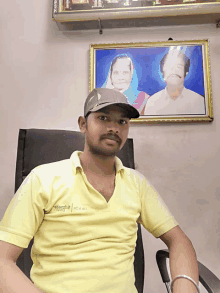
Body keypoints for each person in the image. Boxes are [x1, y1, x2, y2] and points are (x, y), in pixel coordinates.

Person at [0, 88, 199, 293]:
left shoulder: (137, 184)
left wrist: (184, 285)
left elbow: (178, 240)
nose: (114, 128)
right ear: (83, 124)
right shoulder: (43, 179)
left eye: (122, 122)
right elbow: (3, 261)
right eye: (103, 118)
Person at [144, 49, 206, 115]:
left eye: (179, 67)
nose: (173, 71)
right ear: (162, 72)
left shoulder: (199, 101)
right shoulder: (152, 102)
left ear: (186, 72)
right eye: (169, 67)